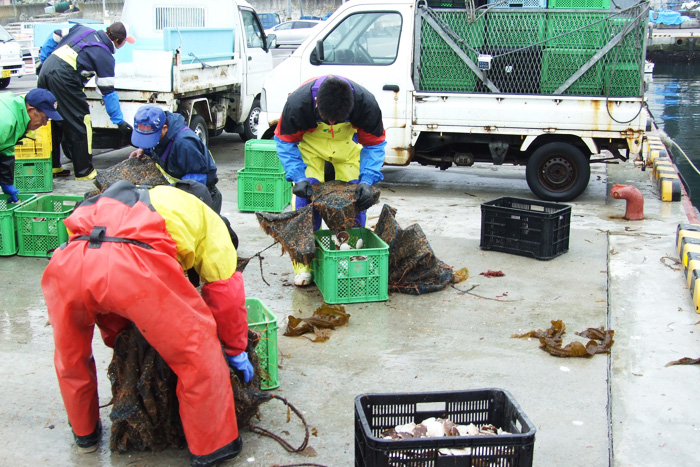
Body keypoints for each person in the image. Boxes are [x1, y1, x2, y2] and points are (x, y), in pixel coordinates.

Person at [40, 180, 251, 467]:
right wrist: (236, 346)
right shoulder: (209, 220)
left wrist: (118, 336)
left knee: (70, 356)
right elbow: (225, 293)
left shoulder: (130, 200)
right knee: (198, 353)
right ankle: (213, 448)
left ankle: (85, 435)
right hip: (132, 265)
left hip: (67, 263)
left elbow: (99, 283)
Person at [274, 75, 386, 286]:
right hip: (311, 150)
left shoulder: (366, 104)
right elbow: (285, 141)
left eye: (338, 120)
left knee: (355, 201)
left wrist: (367, 181)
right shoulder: (298, 104)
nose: (332, 124)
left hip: (346, 151)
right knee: (304, 204)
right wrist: (297, 177)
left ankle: (349, 259)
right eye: (327, 119)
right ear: (316, 106)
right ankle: (304, 264)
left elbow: (374, 145)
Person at [37, 21, 135, 181]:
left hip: (47, 69)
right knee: (81, 122)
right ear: (118, 41)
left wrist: (43, 60)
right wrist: (118, 121)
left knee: (52, 119)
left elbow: (56, 34)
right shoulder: (105, 57)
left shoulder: (81, 29)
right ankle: (85, 171)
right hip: (65, 77)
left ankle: (54, 166)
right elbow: (108, 92)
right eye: (124, 41)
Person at [130, 105, 222, 213]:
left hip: (201, 197)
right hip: (178, 192)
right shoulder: (161, 134)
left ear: (164, 128)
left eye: (150, 138)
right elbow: (155, 145)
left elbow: (195, 183)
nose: (147, 141)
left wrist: (166, 194)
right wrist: (144, 149)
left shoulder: (185, 143)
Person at [0, 88, 62, 202]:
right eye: (44, 118)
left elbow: (5, 149)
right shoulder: (5, 121)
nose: (44, 124)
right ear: (31, 109)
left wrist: (6, 182)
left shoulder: (18, 117)